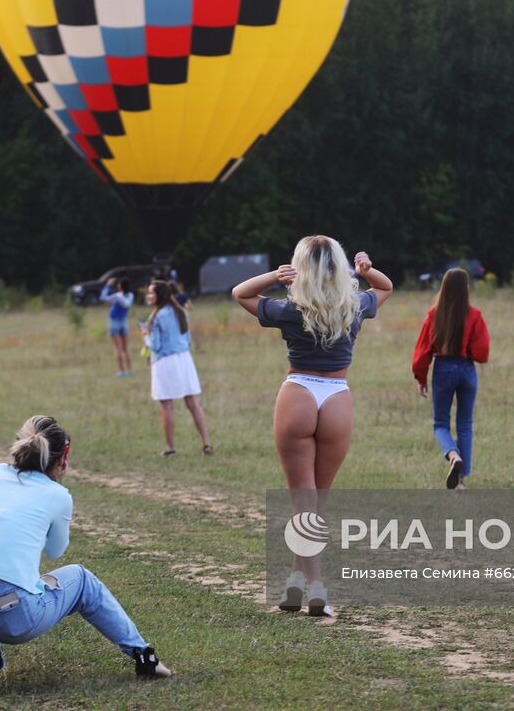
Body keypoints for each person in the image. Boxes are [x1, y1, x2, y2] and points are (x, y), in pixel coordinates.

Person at [232, 236, 392, 615]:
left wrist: (274, 275)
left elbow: (240, 293)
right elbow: (385, 287)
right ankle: (297, 581)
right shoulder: (355, 305)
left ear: (299, 267)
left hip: (298, 394)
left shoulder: (291, 309)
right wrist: (365, 271)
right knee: (317, 500)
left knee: (301, 501)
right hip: (337, 398)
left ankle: (314, 585)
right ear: (339, 267)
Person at [0, 415, 171, 690]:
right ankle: (144, 656)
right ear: (61, 460)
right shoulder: (57, 495)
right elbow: (56, 551)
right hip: (14, 618)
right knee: (81, 579)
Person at [412, 268, 490, 490]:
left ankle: (453, 455)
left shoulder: (434, 315)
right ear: (466, 288)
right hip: (466, 369)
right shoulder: (474, 315)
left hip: (443, 368)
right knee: (465, 424)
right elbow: (482, 352)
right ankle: (461, 480)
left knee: (440, 424)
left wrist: (421, 378)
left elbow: (422, 351)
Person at [146, 280, 210, 456]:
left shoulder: (156, 316)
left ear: (159, 295)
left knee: (167, 405)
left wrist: (146, 336)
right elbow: (187, 338)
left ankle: (170, 447)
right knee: (192, 403)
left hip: (165, 362)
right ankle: (206, 443)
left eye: (151, 293)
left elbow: (156, 345)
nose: (148, 296)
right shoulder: (181, 311)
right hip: (184, 360)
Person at [100, 278, 135, 376]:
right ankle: (129, 370)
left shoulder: (117, 296)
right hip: (124, 321)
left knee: (118, 348)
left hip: (114, 322)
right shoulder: (131, 296)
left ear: (120, 286)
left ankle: (121, 371)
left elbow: (103, 297)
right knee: (125, 348)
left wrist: (107, 285)